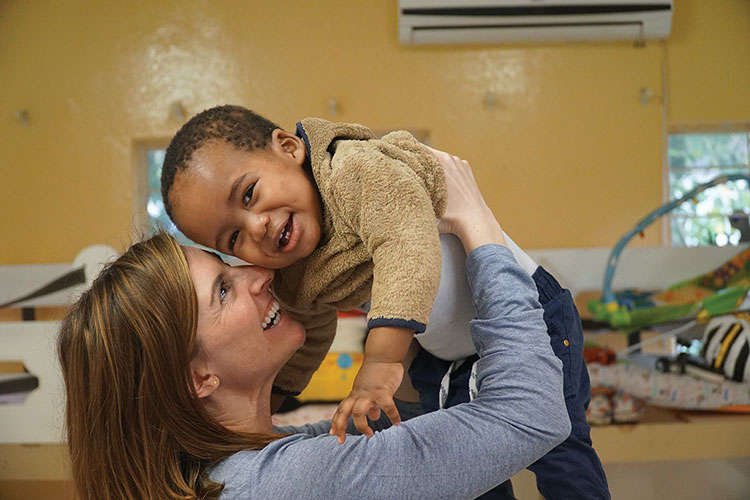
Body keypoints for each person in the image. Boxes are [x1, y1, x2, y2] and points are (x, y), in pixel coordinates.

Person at [58, 155, 570, 500]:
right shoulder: (294, 480)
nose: (260, 275)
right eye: (223, 289)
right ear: (197, 378)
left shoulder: (229, 473)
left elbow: (365, 441)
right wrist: (479, 227)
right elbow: (531, 417)